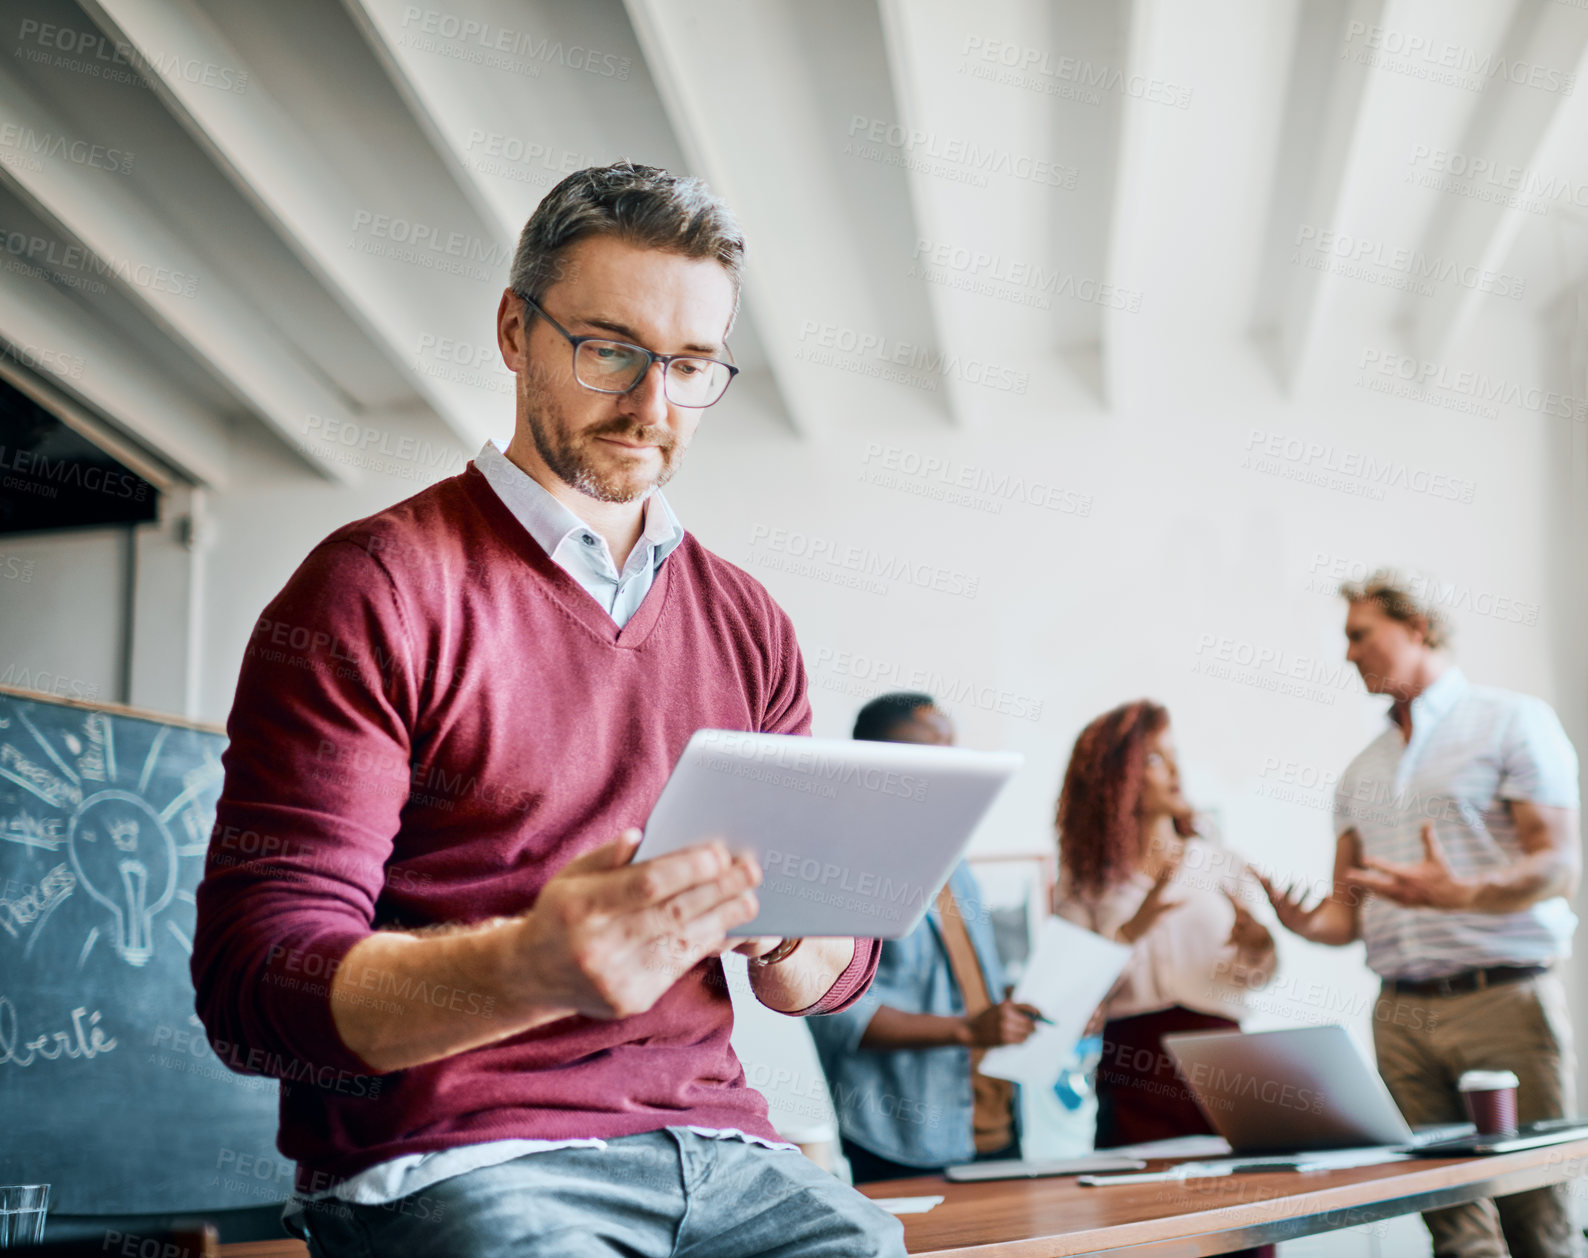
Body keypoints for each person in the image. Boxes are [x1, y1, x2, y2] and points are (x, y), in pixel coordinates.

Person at [191, 161, 905, 1257]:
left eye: (693, 364)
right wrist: (526, 965)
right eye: (610, 349)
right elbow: (254, 985)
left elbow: (830, 973)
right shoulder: (373, 587)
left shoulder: (747, 622)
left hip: (719, 1147)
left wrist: (796, 926)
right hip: (457, 1156)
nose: (652, 405)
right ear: (515, 332)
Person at [1259, 570, 1583, 1258]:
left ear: (1418, 628)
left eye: (1360, 635)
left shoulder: (1511, 721)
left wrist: (1462, 893)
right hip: (1400, 1016)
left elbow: (1558, 865)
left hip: (1502, 1001)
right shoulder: (1360, 773)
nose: (1348, 655)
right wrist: (1298, 921)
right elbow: (1343, 918)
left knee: (1538, 1225)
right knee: (1453, 1230)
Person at [807, 692, 1039, 1183]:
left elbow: (972, 988)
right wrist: (967, 1030)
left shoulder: (953, 857)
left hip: (995, 1125)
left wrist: (1016, 1007)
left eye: (952, 754)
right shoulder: (836, 866)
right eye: (929, 756)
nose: (949, 773)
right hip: (906, 1138)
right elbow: (838, 1016)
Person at [1053, 700, 1277, 1151]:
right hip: (1134, 1066)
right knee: (1138, 1205)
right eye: (1155, 758)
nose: (1176, 770)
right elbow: (1070, 991)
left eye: (1174, 754)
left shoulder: (1222, 864)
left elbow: (1257, 977)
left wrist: (1259, 948)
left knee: (1237, 1200)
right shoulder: (1084, 883)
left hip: (1225, 1062)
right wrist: (1133, 928)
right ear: (1114, 777)